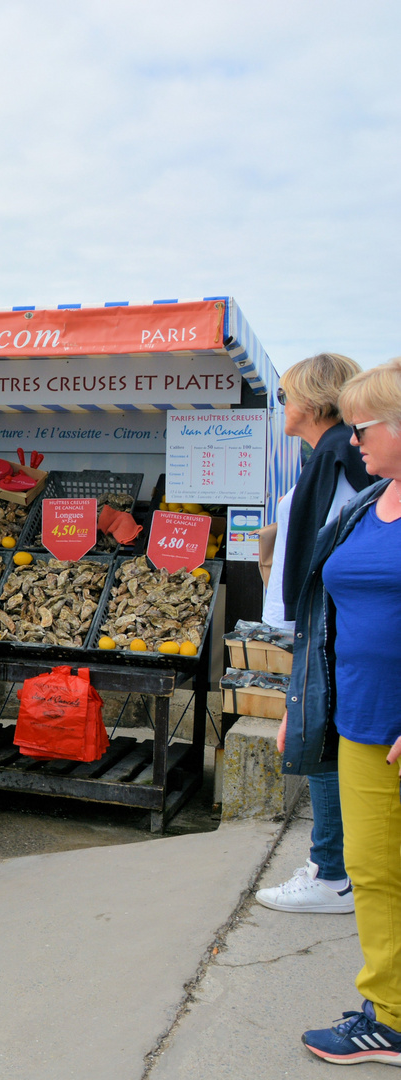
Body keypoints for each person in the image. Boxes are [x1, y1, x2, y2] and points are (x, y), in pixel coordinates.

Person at [288, 360, 401, 1064]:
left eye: (363, 426)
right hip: (359, 719)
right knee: (373, 868)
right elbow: (325, 612)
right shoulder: (373, 502)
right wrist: (301, 705)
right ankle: (388, 1016)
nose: (352, 440)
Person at [257, 353, 372, 915]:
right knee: (321, 736)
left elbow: (343, 544)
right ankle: (333, 865)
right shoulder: (330, 457)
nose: (281, 406)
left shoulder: (342, 458)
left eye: (284, 396)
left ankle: (332, 874)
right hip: (324, 619)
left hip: (330, 622)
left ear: (311, 399)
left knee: (319, 738)